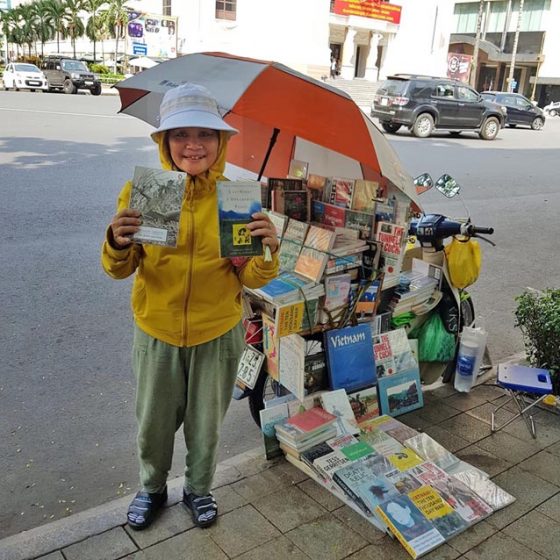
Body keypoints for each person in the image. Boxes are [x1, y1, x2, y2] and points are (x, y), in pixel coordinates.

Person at [101, 83, 279, 530]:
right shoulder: (143, 192)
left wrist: (267, 250)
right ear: (164, 142)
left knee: (206, 427)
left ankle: (199, 489)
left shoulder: (235, 200)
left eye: (205, 134)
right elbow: (120, 269)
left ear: (221, 143)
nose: (193, 145)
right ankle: (152, 488)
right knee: (153, 425)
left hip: (217, 334)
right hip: (155, 331)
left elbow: (251, 279)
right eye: (180, 134)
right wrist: (117, 242)